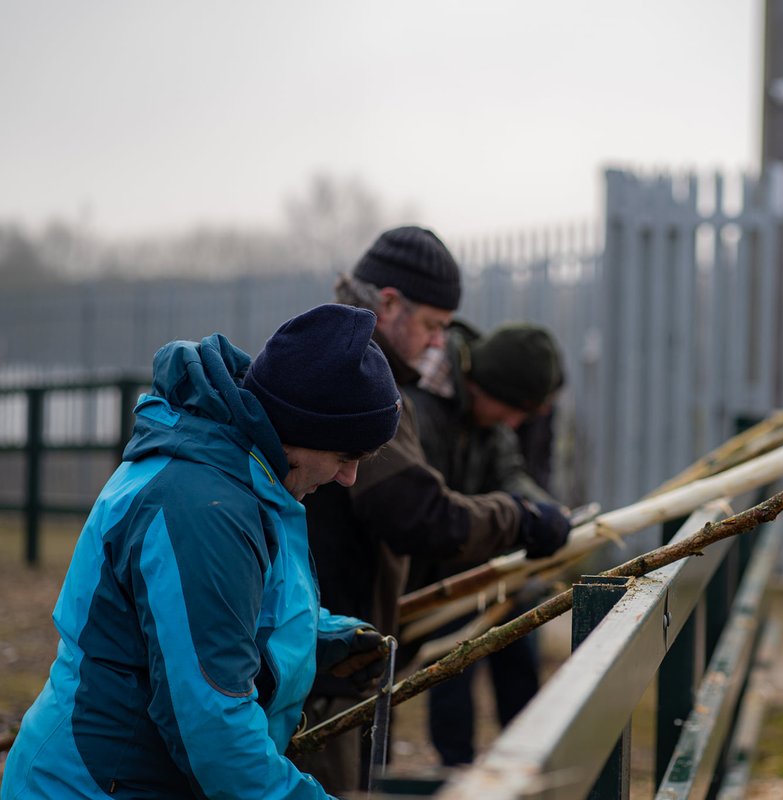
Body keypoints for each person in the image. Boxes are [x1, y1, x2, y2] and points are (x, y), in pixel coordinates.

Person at [1, 304, 401, 800]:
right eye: (346, 457)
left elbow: (221, 613)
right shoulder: (203, 508)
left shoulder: (241, 474)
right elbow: (213, 730)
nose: (349, 477)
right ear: (304, 428)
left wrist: (319, 636)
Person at [299, 227, 571, 789]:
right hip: (322, 649)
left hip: (344, 644)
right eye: (430, 326)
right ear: (390, 303)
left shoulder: (359, 366)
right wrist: (517, 518)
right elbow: (414, 511)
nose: (434, 343)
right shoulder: (353, 373)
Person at [406, 320, 566, 766]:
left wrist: (545, 512)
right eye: (512, 408)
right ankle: (454, 773)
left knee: (520, 657)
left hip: (491, 567)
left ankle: (528, 767)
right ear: (486, 385)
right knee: (449, 677)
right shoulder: (421, 411)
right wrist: (519, 518)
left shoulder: (489, 422)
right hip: (437, 581)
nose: (514, 423)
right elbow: (428, 513)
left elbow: (510, 473)